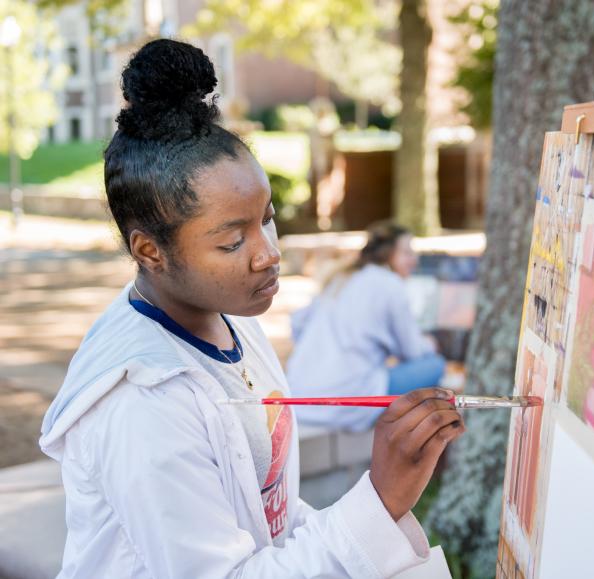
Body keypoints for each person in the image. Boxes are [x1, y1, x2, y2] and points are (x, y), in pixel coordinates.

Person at [39, 39, 464, 579]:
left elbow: (271, 526)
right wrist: (378, 502)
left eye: (266, 218)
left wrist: (375, 511)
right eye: (231, 241)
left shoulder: (230, 320)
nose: (269, 252)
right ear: (150, 251)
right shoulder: (141, 405)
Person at [286, 222, 447, 431]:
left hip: (300, 397)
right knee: (435, 364)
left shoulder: (342, 277)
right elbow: (412, 352)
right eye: (407, 253)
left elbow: (297, 323)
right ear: (388, 255)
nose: (414, 260)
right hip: (345, 399)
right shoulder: (391, 284)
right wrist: (430, 344)